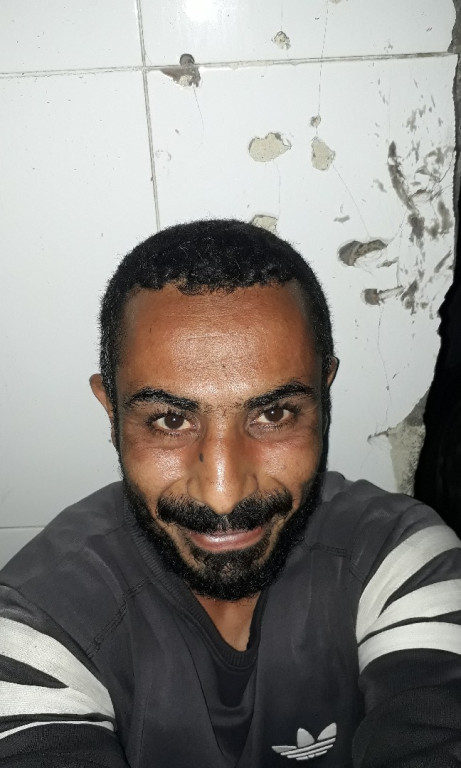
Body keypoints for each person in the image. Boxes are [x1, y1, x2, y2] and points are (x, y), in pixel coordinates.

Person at [1, 219, 460, 768]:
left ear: (324, 393)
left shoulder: (402, 560)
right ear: (111, 408)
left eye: (274, 414)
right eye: (170, 420)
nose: (222, 494)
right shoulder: (39, 620)